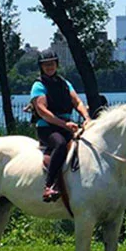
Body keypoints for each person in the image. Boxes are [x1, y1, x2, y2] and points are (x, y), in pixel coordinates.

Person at [30, 50, 91, 202]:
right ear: (41, 67)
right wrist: (64, 124)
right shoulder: (38, 85)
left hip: (65, 125)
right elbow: (43, 112)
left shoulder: (65, 83)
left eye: (51, 64)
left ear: (56, 65)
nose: (49, 67)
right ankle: (49, 185)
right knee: (60, 144)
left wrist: (87, 118)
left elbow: (77, 102)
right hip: (47, 127)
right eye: (46, 65)